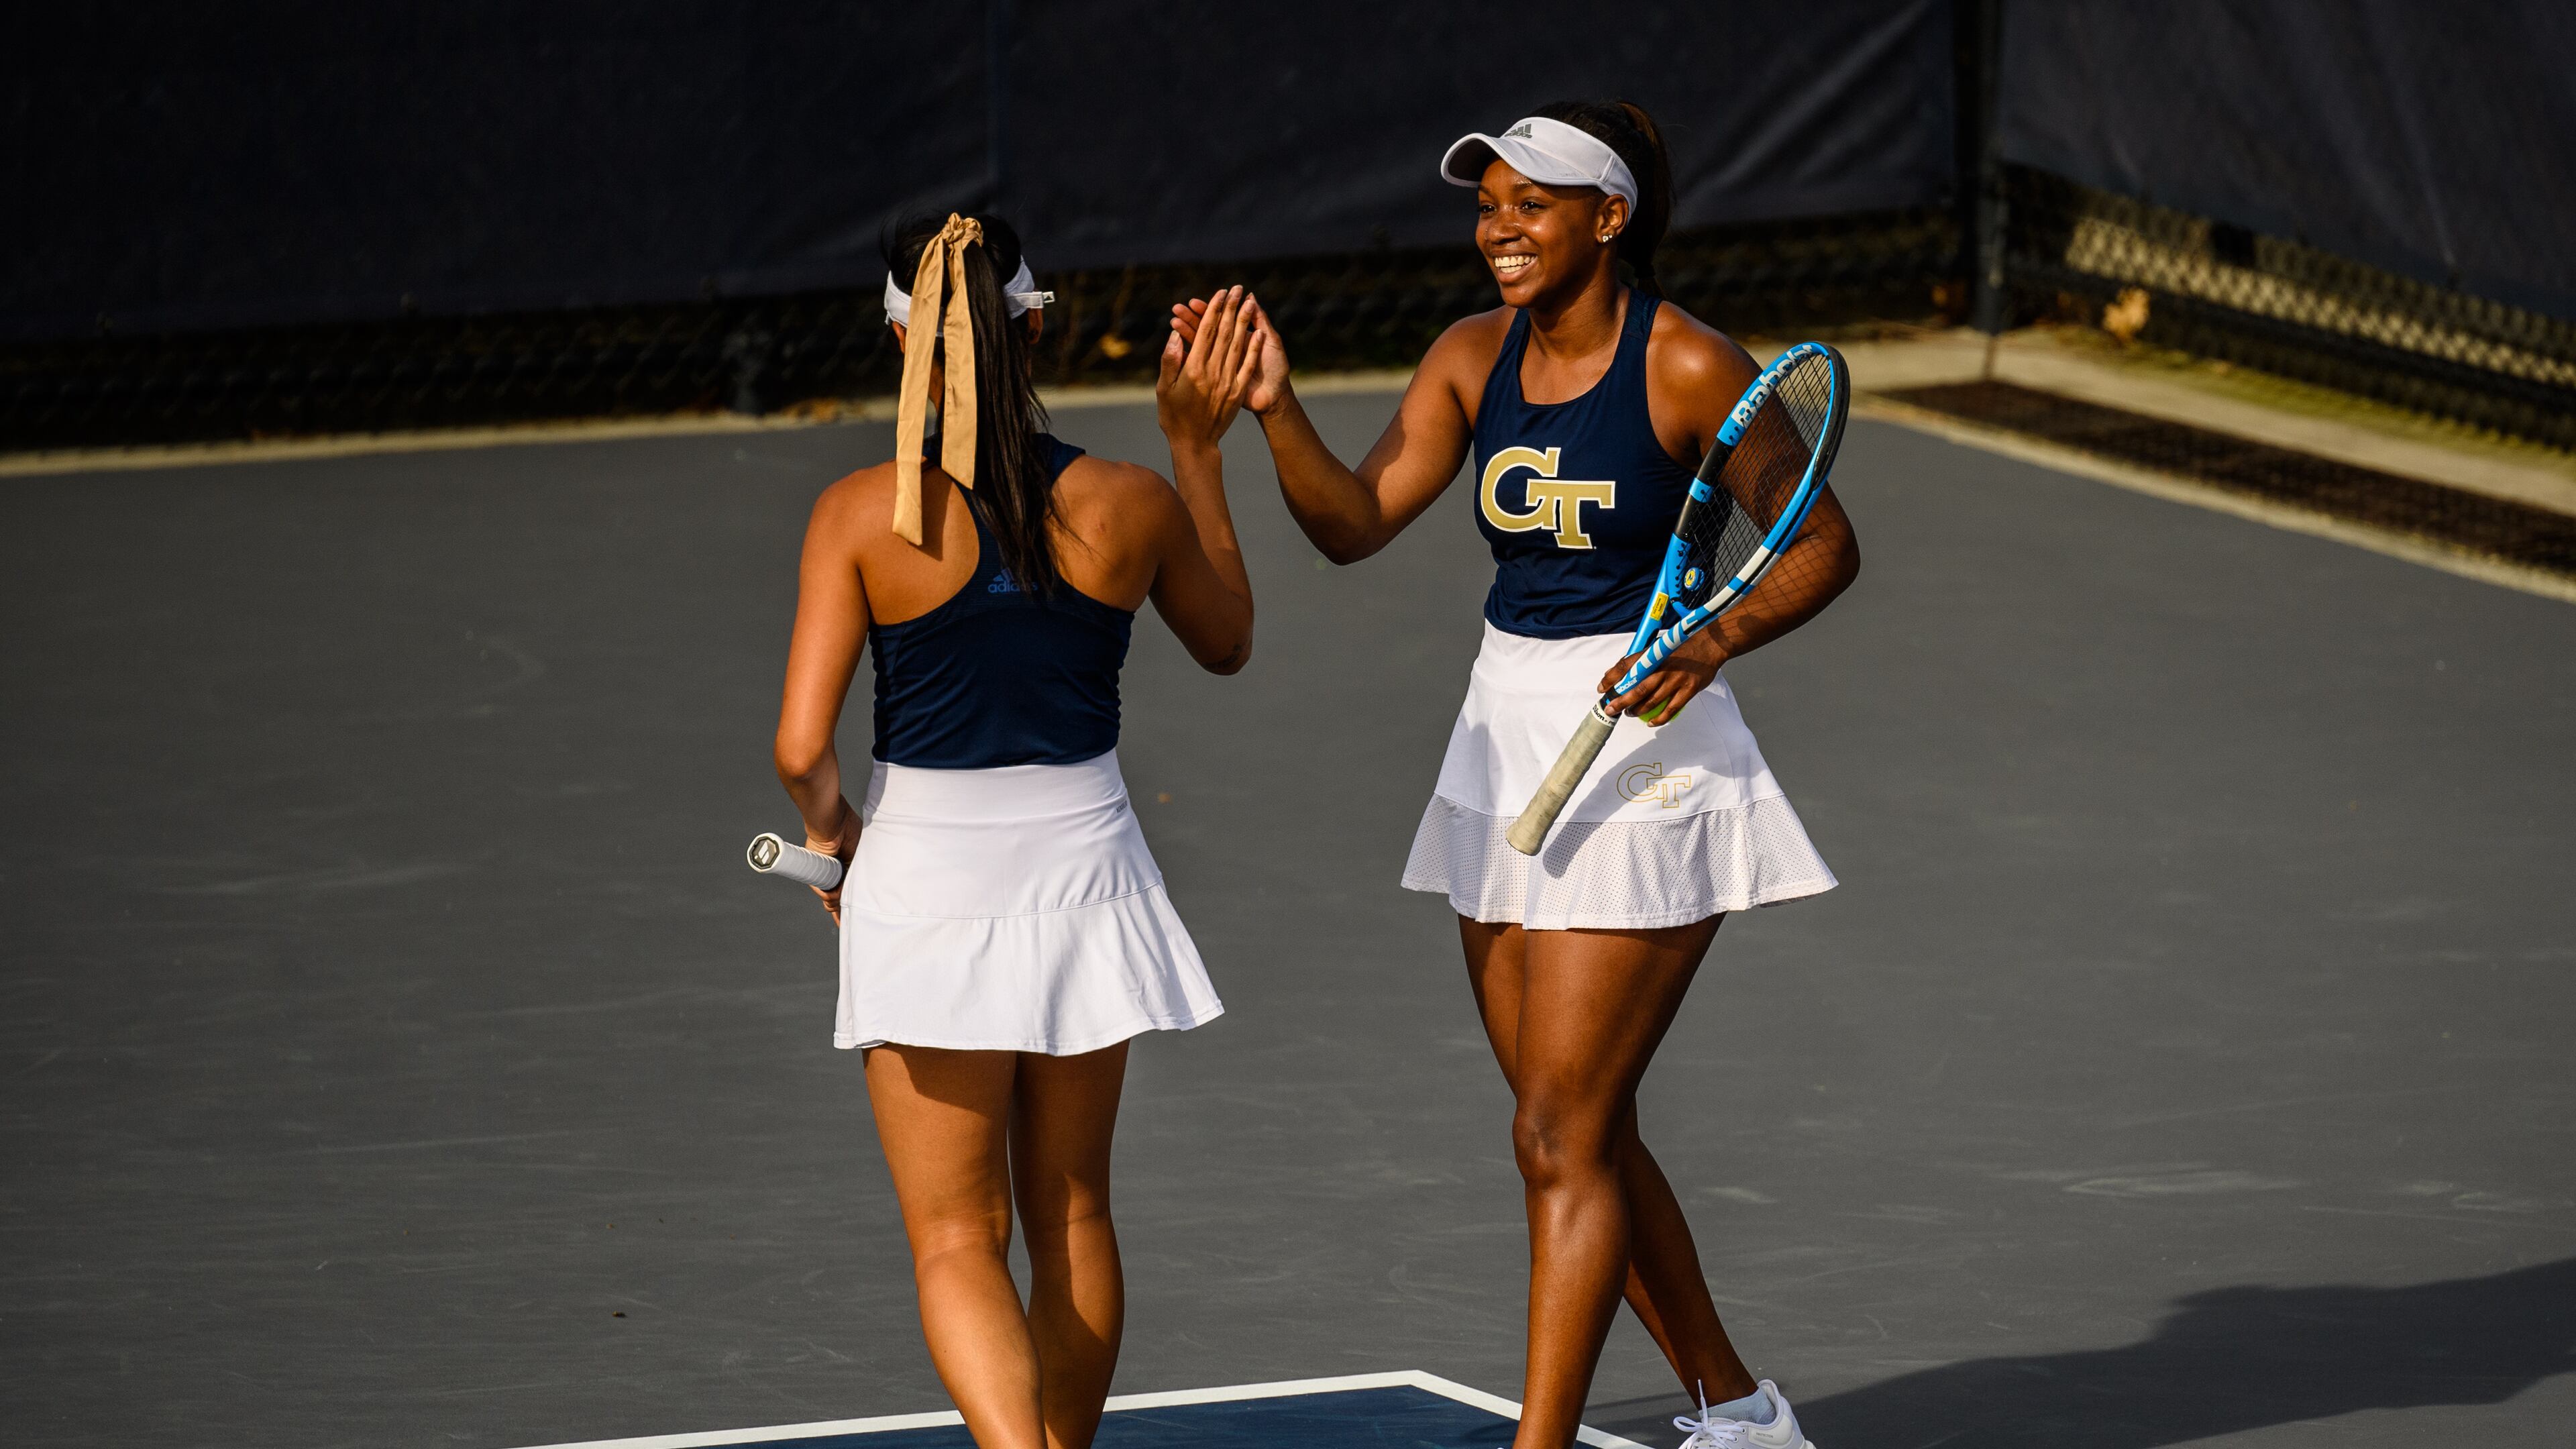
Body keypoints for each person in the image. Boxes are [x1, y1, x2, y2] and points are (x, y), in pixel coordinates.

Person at [1172, 104, 1860, 1448]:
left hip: (1647, 764)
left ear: (1610, 219)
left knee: (1561, 1131)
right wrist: (1271, 411)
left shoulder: (1686, 365)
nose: (1500, 225)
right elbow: (1354, 524)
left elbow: (1820, 542)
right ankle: (1740, 1410)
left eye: (1533, 202)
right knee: (1565, 1132)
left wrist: (1712, 638)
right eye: (1488, 202)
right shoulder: (1466, 355)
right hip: (1502, 742)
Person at [773, 211, 1263, 1449]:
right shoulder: (1132, 502)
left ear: (900, 345)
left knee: (954, 1238)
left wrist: (839, 849)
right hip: (1089, 876)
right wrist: (1194, 450)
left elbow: (798, 754)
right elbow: (1227, 640)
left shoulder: (853, 518)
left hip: (925, 878)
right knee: (1074, 1217)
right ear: (1036, 328)